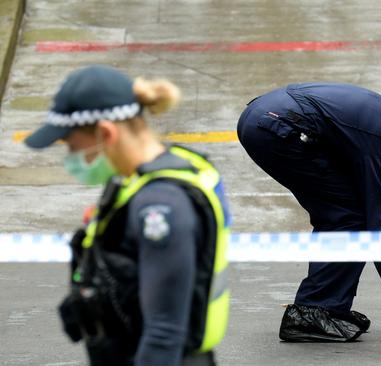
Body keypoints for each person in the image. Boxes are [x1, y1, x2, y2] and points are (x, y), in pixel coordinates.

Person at [237, 82, 381, 342]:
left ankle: (328, 308)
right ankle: (312, 314)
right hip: (275, 128)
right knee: (349, 218)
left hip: (268, 115)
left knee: (349, 212)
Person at [25, 65, 231, 365]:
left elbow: (164, 333)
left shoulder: (161, 205)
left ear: (106, 133)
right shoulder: (134, 181)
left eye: (71, 145)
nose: (69, 158)